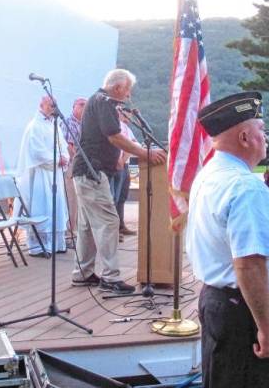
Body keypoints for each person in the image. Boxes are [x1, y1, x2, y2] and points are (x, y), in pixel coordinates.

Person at [185, 91, 269, 388]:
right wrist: (265, 328)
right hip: (243, 313)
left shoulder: (210, 174)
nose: (266, 137)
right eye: (262, 130)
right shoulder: (244, 187)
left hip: (222, 303)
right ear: (245, 137)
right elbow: (249, 265)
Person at [70, 69, 166, 294]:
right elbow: (114, 136)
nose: (128, 95)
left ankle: (82, 273)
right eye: (127, 90)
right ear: (118, 87)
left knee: (87, 225)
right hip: (92, 173)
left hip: (86, 172)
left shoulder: (98, 100)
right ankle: (110, 277)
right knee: (109, 221)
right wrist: (145, 153)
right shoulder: (106, 102)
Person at [15, 95, 69, 256]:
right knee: (42, 206)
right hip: (41, 174)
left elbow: (63, 145)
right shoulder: (34, 126)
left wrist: (64, 157)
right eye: (51, 105)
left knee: (57, 207)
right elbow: (36, 152)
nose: (53, 109)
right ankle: (38, 246)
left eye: (55, 106)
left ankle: (57, 244)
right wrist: (56, 159)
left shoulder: (55, 125)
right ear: (42, 105)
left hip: (56, 174)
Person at [111, 110, 139, 241]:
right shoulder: (114, 125)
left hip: (125, 164)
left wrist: (125, 158)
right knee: (114, 198)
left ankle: (121, 225)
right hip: (116, 165)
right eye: (127, 114)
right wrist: (120, 159)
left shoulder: (126, 127)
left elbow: (133, 144)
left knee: (122, 197)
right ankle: (113, 230)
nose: (129, 117)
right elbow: (115, 143)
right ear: (119, 113)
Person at [63, 97, 86, 237]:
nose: (84, 107)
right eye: (81, 105)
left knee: (79, 200)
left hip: (82, 165)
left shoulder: (85, 124)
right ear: (73, 107)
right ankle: (70, 232)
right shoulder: (68, 123)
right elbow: (69, 147)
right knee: (71, 199)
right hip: (72, 165)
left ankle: (76, 230)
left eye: (86, 105)